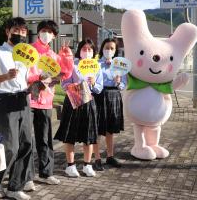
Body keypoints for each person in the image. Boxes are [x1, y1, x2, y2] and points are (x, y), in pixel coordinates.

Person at [0, 17, 34, 200]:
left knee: (27, 144)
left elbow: (25, 79)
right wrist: (6, 76)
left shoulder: (26, 55)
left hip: (23, 99)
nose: (20, 34)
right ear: (7, 31)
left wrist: (33, 87)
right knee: (10, 146)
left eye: (23, 31)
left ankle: (15, 187)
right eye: (16, 30)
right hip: (4, 101)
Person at [54, 39, 103, 177]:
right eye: (84, 49)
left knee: (89, 135)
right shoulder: (72, 64)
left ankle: (87, 165)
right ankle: (70, 165)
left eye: (90, 49)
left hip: (89, 103)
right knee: (70, 135)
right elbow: (64, 84)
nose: (87, 52)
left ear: (93, 52)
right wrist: (78, 86)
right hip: (72, 101)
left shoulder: (96, 67)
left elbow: (99, 88)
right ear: (79, 51)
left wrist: (93, 84)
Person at [27, 20, 65, 185]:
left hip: (46, 101)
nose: (46, 34)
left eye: (50, 32)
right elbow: (23, 73)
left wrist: (56, 78)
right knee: (26, 140)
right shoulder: (28, 51)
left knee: (44, 138)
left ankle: (46, 172)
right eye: (43, 30)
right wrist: (36, 78)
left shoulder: (54, 56)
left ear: (54, 36)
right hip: (28, 99)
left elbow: (62, 75)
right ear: (38, 32)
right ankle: (26, 177)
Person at [92, 38, 126, 171]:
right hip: (99, 95)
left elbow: (123, 85)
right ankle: (97, 158)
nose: (109, 50)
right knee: (97, 129)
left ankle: (110, 156)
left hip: (114, 96)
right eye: (107, 48)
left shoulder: (119, 65)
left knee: (110, 129)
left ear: (115, 51)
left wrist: (118, 82)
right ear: (102, 49)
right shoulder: (96, 64)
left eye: (112, 48)